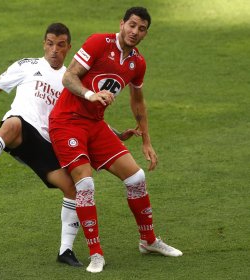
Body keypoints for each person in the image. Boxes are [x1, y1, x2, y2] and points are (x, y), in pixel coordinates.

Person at [48, 7, 183, 273]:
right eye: (132, 25)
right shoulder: (99, 42)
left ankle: (148, 240)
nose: (135, 32)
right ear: (121, 24)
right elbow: (69, 76)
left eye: (141, 28)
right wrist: (90, 95)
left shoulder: (138, 63)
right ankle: (96, 253)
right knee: (85, 184)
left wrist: (146, 140)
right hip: (67, 122)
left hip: (95, 125)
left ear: (145, 33)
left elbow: (138, 100)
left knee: (137, 178)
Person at [0, 23, 83, 267]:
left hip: (45, 143)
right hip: (20, 130)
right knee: (13, 123)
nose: (54, 49)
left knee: (73, 189)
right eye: (49, 43)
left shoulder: (71, 81)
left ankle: (65, 251)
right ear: (43, 44)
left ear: (68, 47)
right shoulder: (27, 66)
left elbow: (85, 120)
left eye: (60, 45)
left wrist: (115, 135)